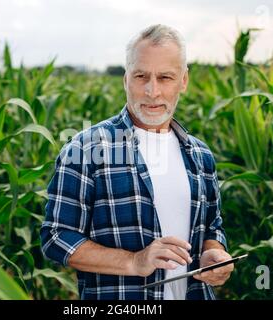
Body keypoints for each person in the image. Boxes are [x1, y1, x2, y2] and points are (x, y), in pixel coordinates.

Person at [40, 24, 233, 300]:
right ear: (126, 79)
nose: (152, 91)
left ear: (184, 81)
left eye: (165, 77)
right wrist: (134, 261)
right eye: (141, 76)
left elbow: (212, 226)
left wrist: (214, 253)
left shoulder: (200, 155)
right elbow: (56, 238)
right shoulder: (86, 149)